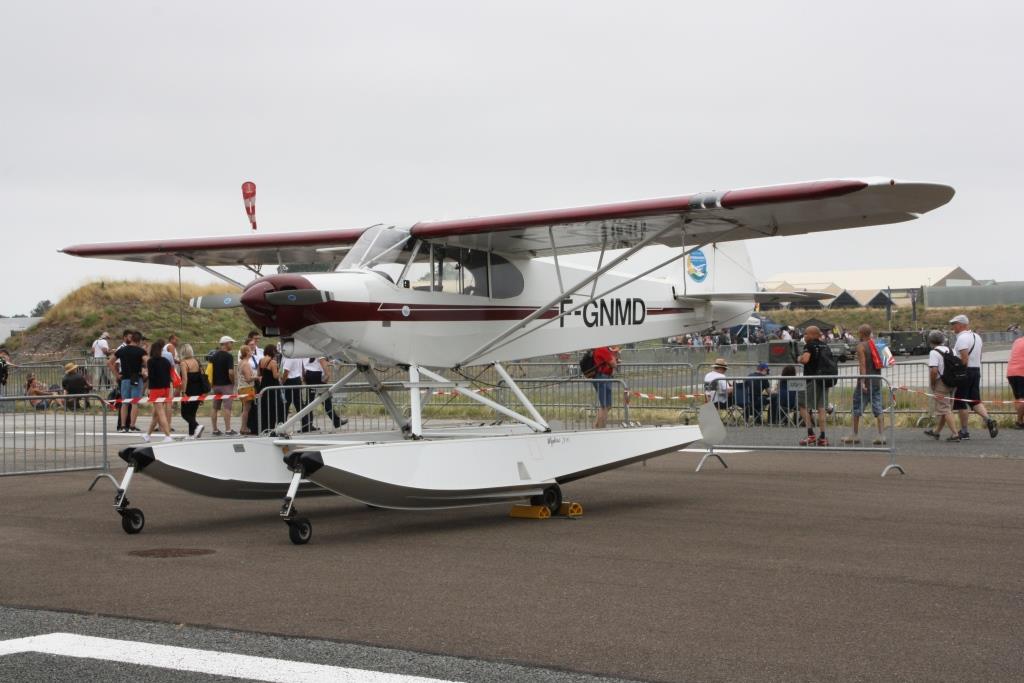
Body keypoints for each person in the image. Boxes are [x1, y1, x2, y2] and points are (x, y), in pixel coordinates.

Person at [949, 314, 998, 439]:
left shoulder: (962, 338)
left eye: (954, 324)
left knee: (961, 402)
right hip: (976, 370)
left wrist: (955, 369)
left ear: (961, 325)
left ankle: (964, 431)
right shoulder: (977, 336)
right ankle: (988, 420)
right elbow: (979, 355)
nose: (952, 327)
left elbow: (964, 359)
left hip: (965, 372)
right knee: (975, 400)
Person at [844, 324, 886, 445]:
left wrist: (862, 382)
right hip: (877, 379)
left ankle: (854, 434)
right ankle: (881, 435)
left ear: (861, 334)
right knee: (878, 407)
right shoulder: (878, 344)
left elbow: (862, 365)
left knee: (857, 407)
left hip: (866, 380)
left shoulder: (861, 346)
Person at [923, 330, 960, 441]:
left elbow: (934, 371)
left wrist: (933, 384)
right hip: (953, 382)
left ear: (930, 341)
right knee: (946, 408)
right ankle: (937, 432)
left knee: (945, 409)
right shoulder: (951, 350)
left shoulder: (934, 352)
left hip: (941, 383)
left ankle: (955, 434)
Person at [797, 325, 831, 446]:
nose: (804, 336)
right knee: (821, 408)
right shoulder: (825, 345)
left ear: (812, 335)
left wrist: (798, 358)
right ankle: (823, 437)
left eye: (806, 333)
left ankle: (811, 434)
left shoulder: (809, 345)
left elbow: (805, 360)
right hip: (825, 380)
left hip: (812, 380)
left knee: (801, 403)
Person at [111, 331, 146, 433]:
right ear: (139, 341)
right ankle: (132, 426)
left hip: (124, 379)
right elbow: (148, 361)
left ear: (131, 339)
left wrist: (117, 375)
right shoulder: (140, 351)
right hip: (136, 379)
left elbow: (109, 362)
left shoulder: (122, 350)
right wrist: (146, 371)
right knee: (135, 403)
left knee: (125, 403)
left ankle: (122, 426)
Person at [301, 357, 348, 430]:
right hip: (316, 375)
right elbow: (326, 370)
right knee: (326, 399)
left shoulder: (308, 353)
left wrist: (304, 377)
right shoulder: (319, 353)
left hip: (308, 374)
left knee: (309, 401)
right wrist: (325, 380)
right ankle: (336, 421)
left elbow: (303, 367)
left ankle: (307, 425)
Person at [143, 339, 173, 443]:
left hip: (156, 389)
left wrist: (148, 388)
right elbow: (169, 374)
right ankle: (147, 435)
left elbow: (151, 376)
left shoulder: (150, 362)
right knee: (155, 414)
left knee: (160, 413)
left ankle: (167, 435)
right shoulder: (166, 361)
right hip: (166, 388)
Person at [210, 335, 237, 436]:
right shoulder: (229, 356)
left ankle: (215, 429)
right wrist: (233, 382)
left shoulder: (214, 356)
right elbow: (230, 372)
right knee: (227, 407)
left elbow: (211, 370)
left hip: (215, 385)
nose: (232, 344)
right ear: (226, 344)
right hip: (226, 385)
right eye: (231, 342)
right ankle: (228, 429)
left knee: (215, 407)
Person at [178, 344, 205, 439]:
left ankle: (197, 426)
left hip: (189, 390)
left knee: (184, 413)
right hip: (198, 390)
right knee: (192, 413)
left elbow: (185, 379)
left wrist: (183, 392)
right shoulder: (197, 361)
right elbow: (202, 376)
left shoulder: (184, 363)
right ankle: (191, 434)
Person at [591, 345, 617, 428]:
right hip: (602, 378)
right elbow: (613, 363)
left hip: (604, 377)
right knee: (604, 406)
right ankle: (600, 429)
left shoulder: (602, 349)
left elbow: (611, 362)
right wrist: (614, 360)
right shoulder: (602, 348)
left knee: (607, 406)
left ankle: (596, 426)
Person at [257, 344, 282, 433]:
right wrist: (280, 372)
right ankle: (271, 427)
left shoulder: (260, 361)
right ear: (272, 351)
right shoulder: (273, 362)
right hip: (273, 386)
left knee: (265, 407)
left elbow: (259, 374)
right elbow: (275, 376)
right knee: (273, 407)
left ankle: (264, 427)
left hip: (264, 386)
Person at [237, 344, 258, 435]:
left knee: (246, 408)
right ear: (246, 352)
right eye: (249, 350)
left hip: (243, 387)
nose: (251, 352)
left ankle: (244, 426)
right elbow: (248, 379)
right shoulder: (246, 364)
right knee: (246, 409)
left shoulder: (241, 362)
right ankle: (244, 427)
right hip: (246, 388)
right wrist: (257, 377)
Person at [279, 354, 306, 422]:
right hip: (297, 379)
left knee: (285, 404)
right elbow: (302, 367)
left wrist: (282, 382)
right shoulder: (297, 355)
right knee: (298, 403)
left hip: (290, 380)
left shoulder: (289, 357)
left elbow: (286, 372)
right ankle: (305, 422)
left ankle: (282, 423)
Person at [1007, 333, 1024, 429]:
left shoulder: (1017, 341)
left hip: (1011, 372)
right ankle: (1019, 421)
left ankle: (1020, 421)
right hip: (1022, 372)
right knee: (1022, 398)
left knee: (1018, 398)